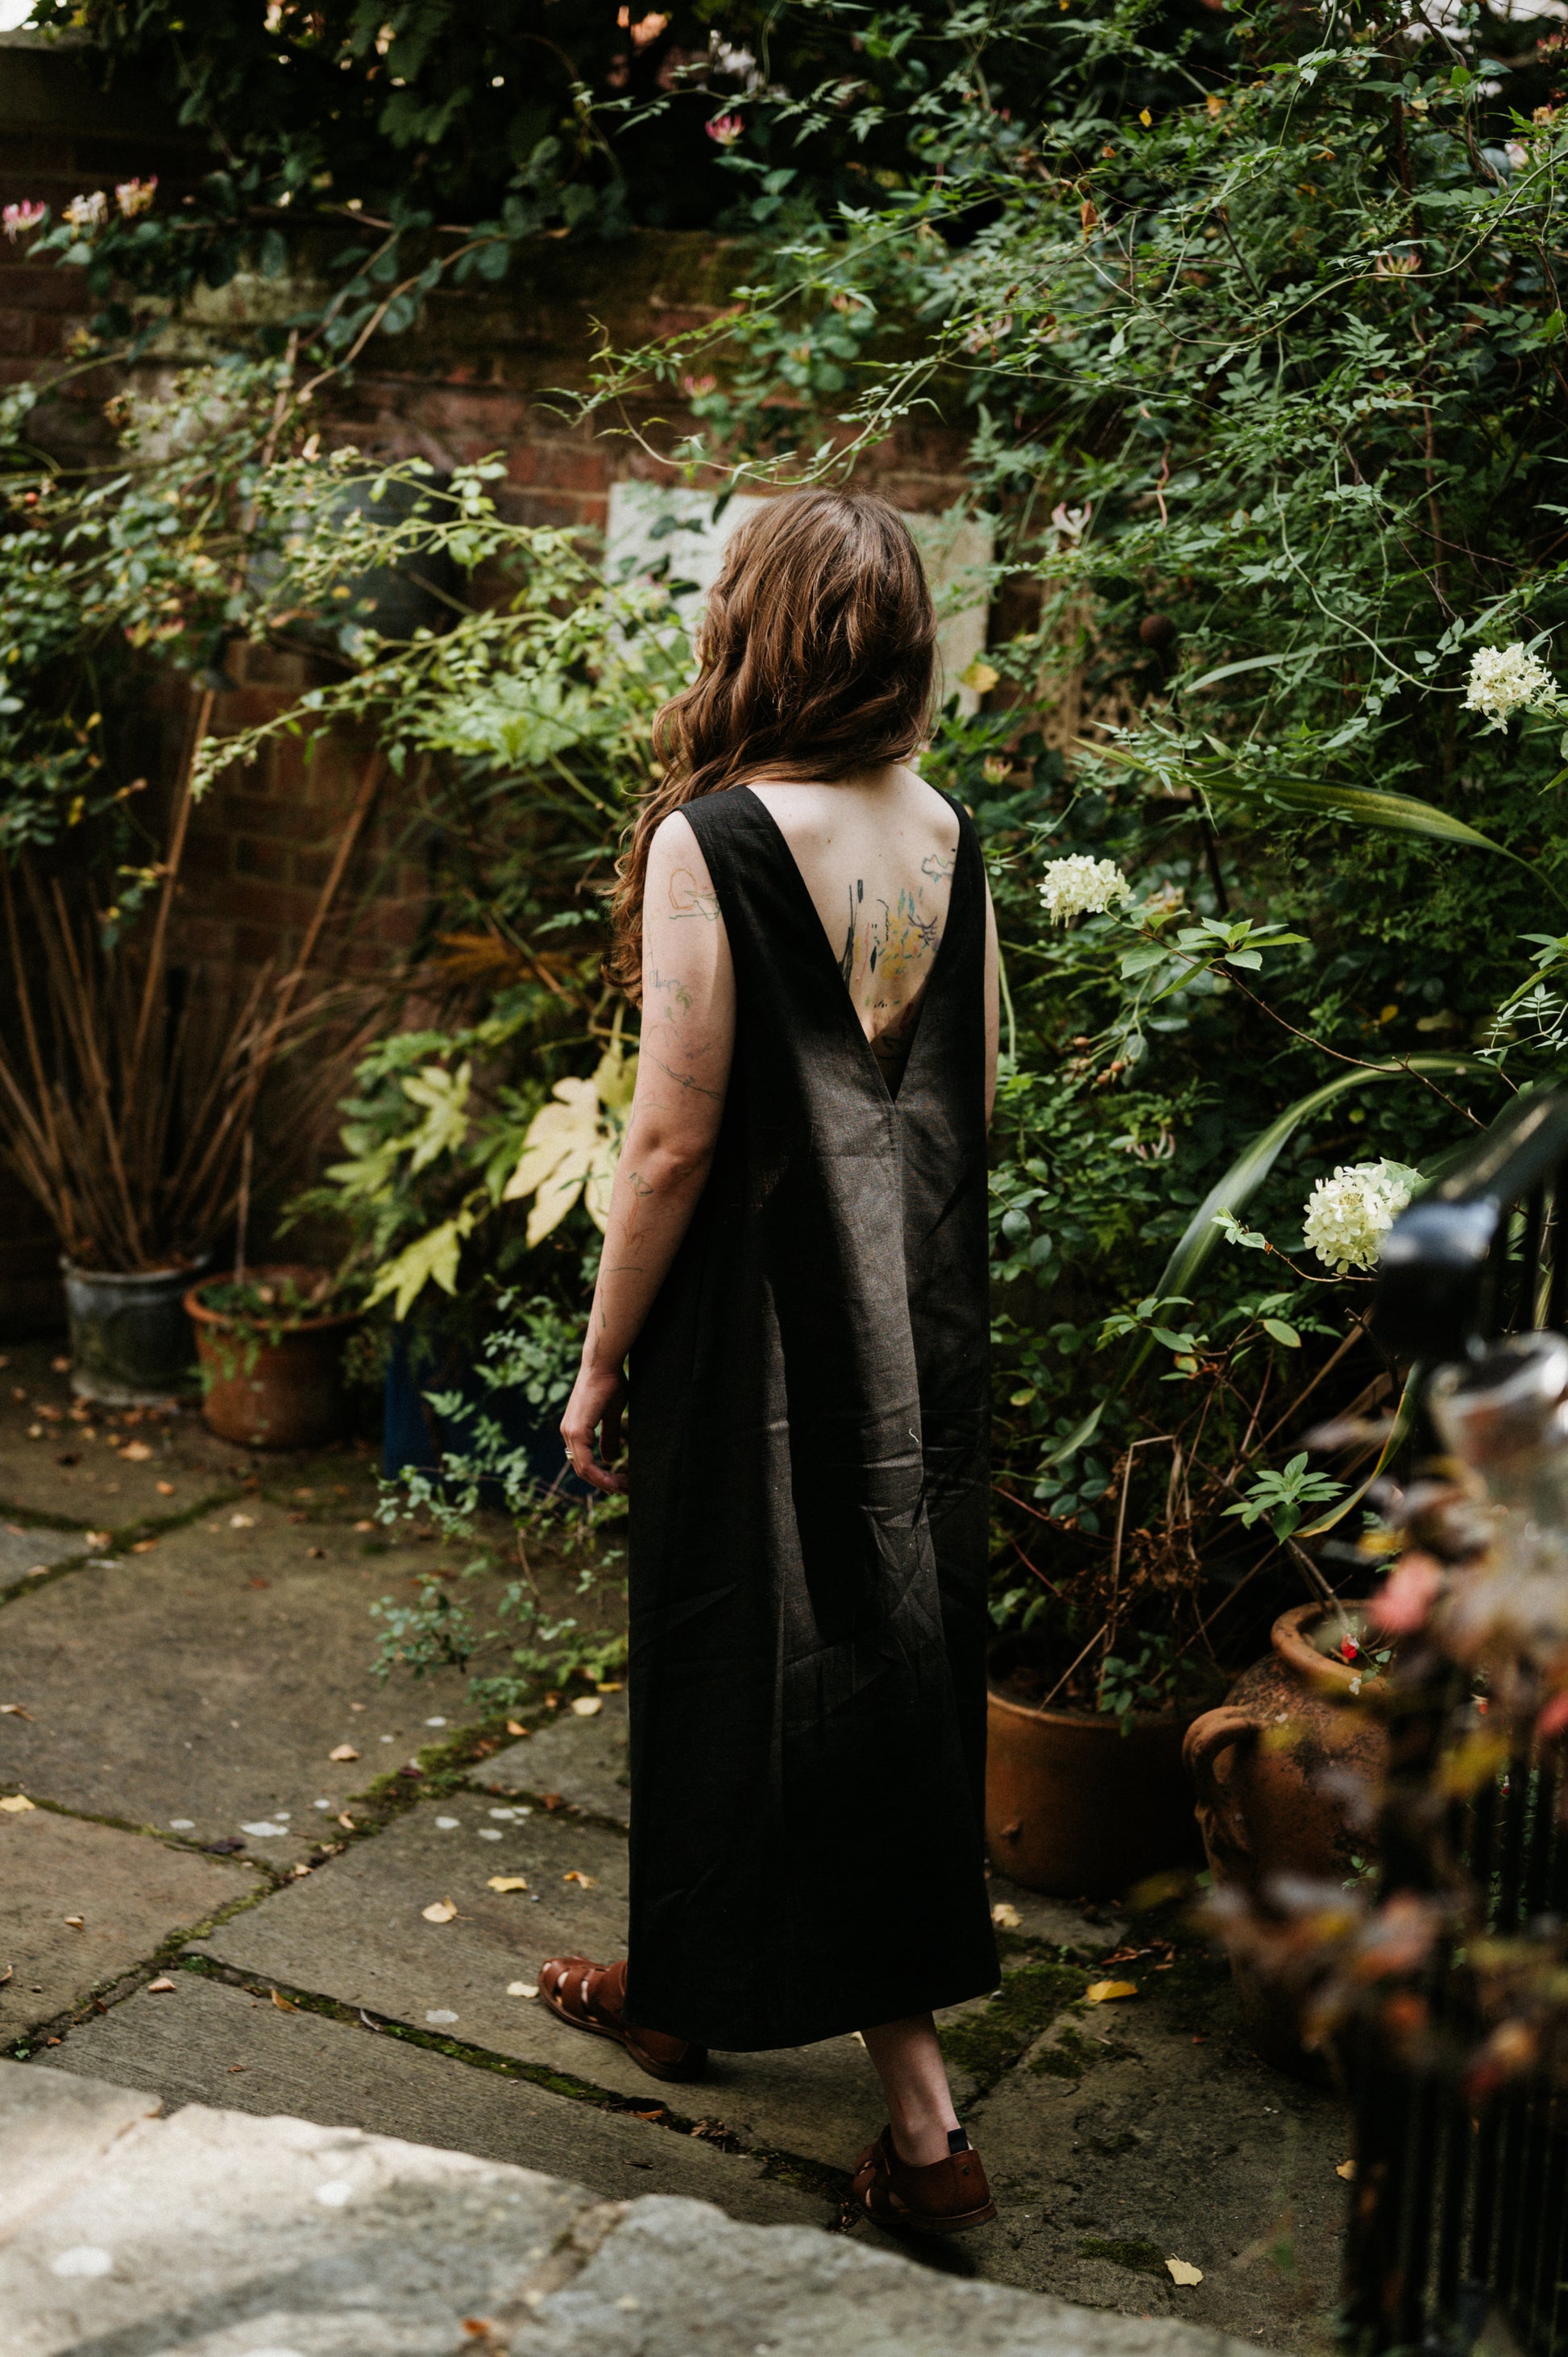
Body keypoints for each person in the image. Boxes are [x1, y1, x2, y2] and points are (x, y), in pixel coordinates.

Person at [541, 488, 1001, 2235]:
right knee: (884, 1653)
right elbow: (963, 1091)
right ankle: (699, 1992)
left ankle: (927, 2118)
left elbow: (666, 1145)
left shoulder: (715, 835)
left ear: (765, 628)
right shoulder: (946, 824)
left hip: (754, 1318)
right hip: (914, 1309)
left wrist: (600, 1363)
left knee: (730, 1638)